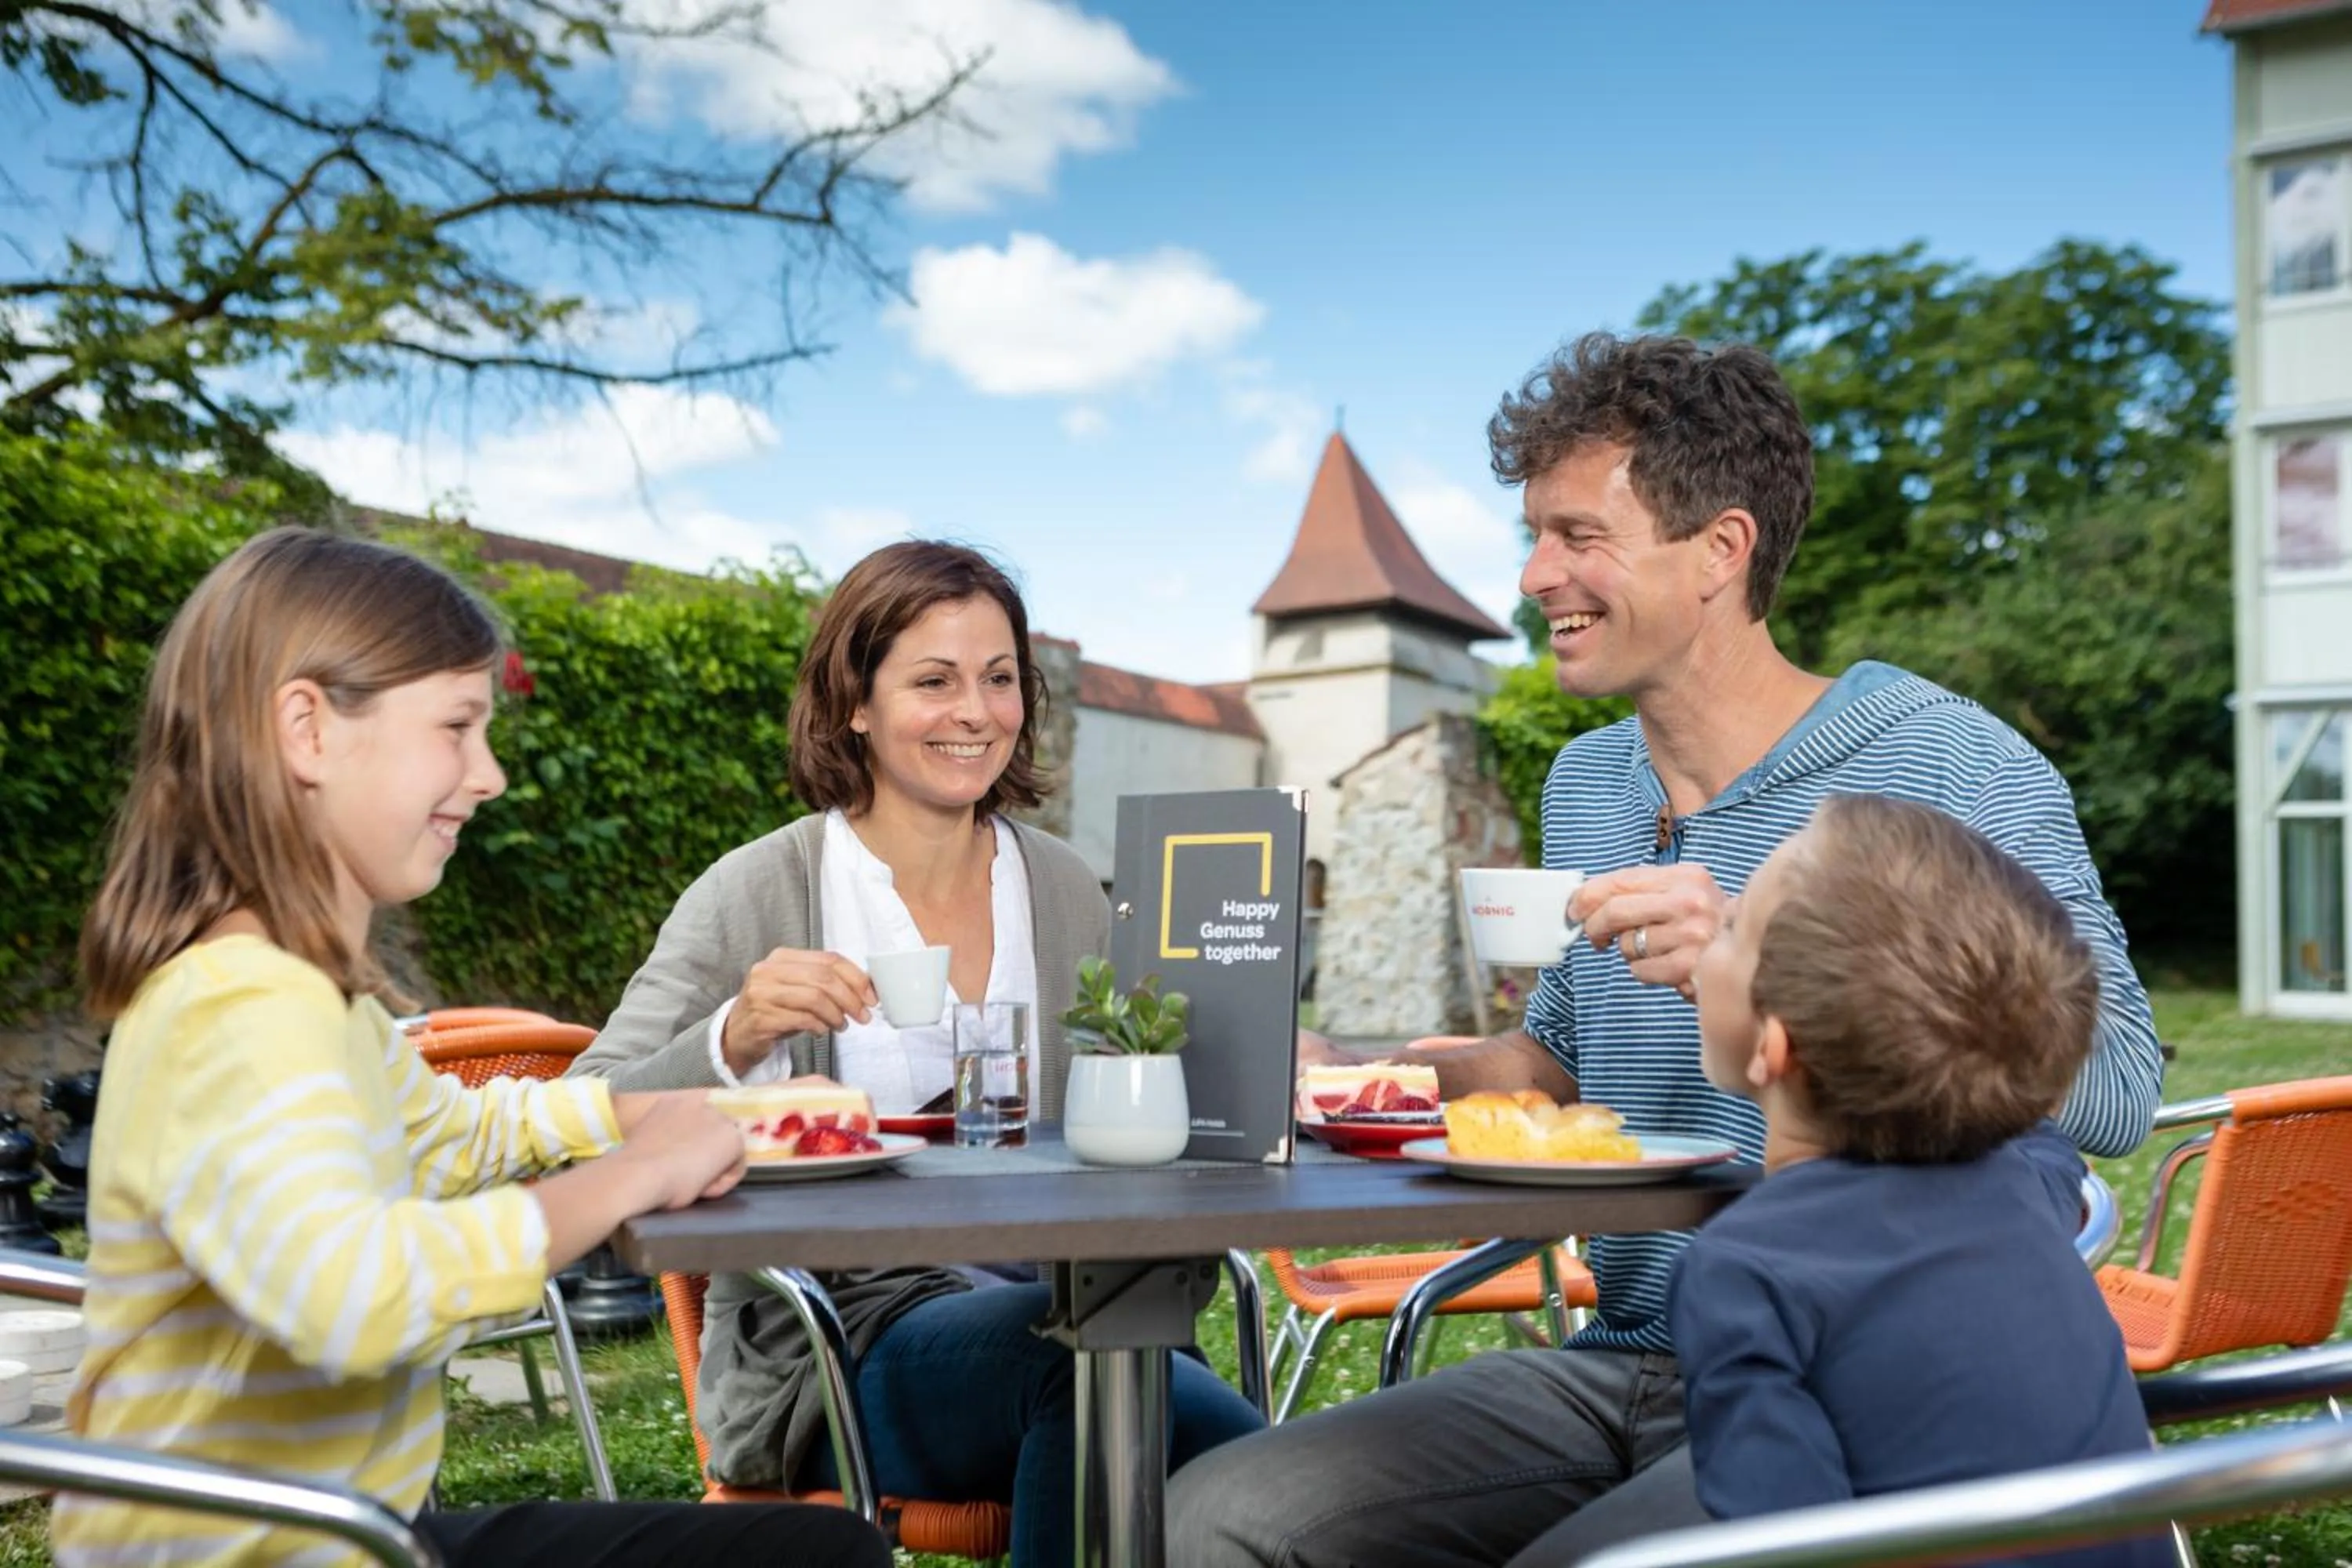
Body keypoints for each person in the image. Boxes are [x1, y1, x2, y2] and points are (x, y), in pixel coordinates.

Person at [1167, 332, 2165, 1567]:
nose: (1535, 576)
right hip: (1631, 1348)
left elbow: (2120, 1083)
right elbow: (1565, 1067)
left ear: (1721, 551)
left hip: (1852, 1364)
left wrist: (1768, 949)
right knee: (1217, 1519)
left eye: (1579, 536)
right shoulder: (1590, 782)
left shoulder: (1949, 762)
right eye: (1532, 533)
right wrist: (1370, 1073)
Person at [58, 528, 889, 1568]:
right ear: (307, 730)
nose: (487, 775)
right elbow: (357, 1299)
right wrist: (630, 1177)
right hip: (268, 1552)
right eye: (457, 727)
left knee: (809, 1552)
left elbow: (454, 1135)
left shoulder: (315, 999)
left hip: (345, 1534)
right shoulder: (242, 1004)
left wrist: (639, 1115)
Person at [570, 539, 1264, 1568]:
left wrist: (1242, 1055)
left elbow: (1155, 1086)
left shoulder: (1067, 888)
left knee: (1286, 1481)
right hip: (843, 1341)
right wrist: (733, 1035)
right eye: (932, 681)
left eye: (997, 679)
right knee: (1102, 1385)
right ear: (855, 701)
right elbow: (581, 1115)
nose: (975, 712)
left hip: (1089, 1306)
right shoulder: (762, 889)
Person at [1674, 792, 2168, 1566]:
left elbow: (1780, 1546)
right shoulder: (2020, 1179)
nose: (1715, 925)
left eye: (1733, 927)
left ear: (1774, 1043)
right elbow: (2044, 1138)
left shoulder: (1745, 1266)